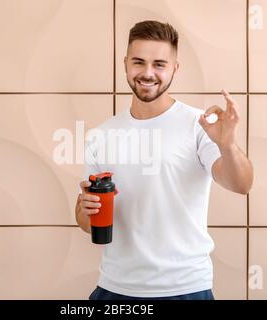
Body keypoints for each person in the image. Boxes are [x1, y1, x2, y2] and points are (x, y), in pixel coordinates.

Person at [75, 20, 254, 300]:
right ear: (125, 64)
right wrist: (84, 210)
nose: (148, 73)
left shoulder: (200, 125)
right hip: (115, 288)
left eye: (159, 64)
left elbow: (242, 184)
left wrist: (227, 144)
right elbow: (88, 222)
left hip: (185, 287)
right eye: (138, 62)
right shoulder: (100, 135)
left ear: (175, 68)